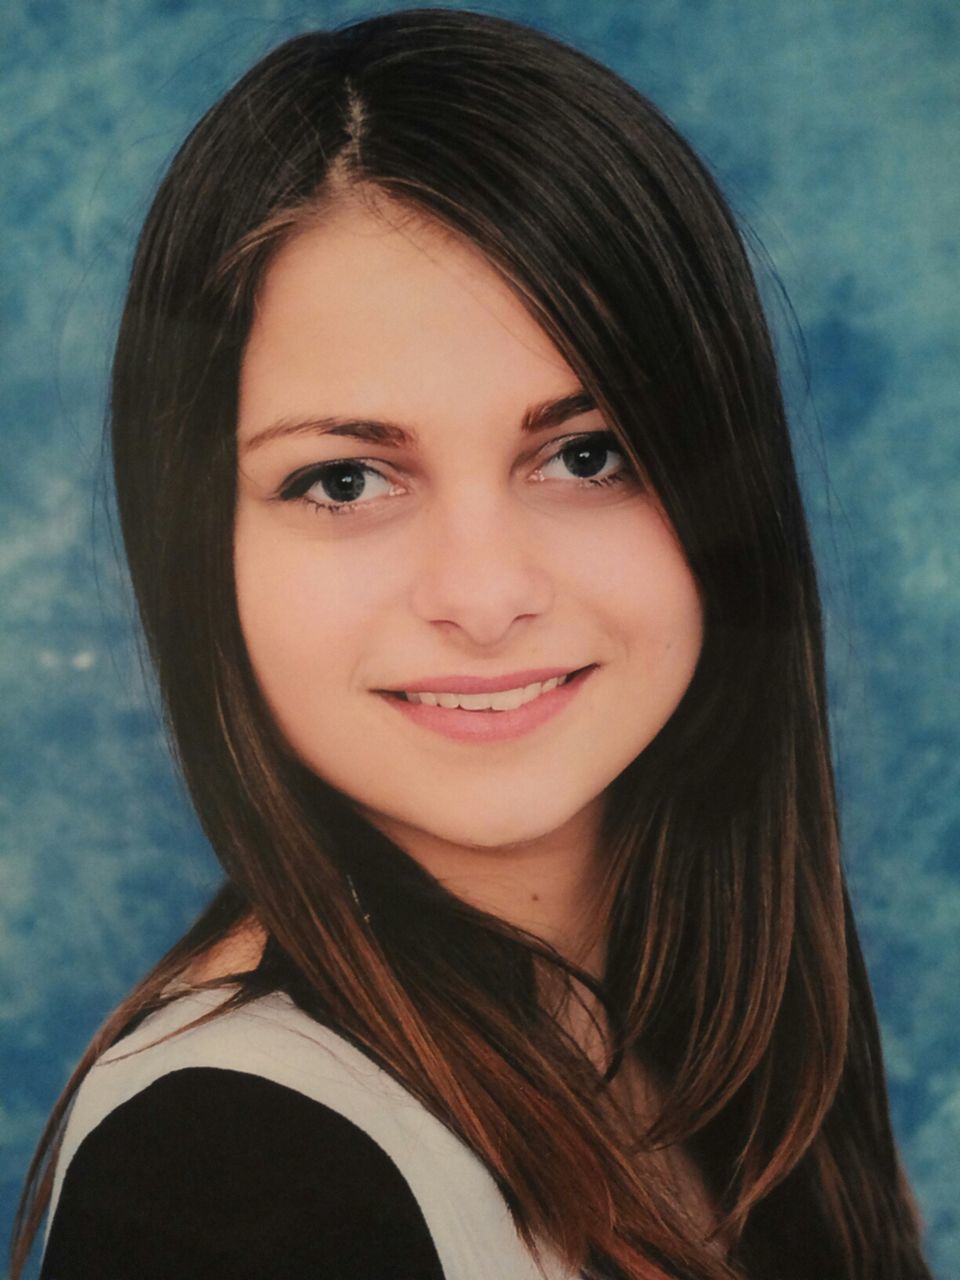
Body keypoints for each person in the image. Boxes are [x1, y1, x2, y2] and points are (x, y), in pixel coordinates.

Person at [12, 9, 932, 1279]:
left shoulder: (704, 1034)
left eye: (584, 454)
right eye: (343, 480)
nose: (485, 593)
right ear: (199, 553)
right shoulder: (230, 1179)